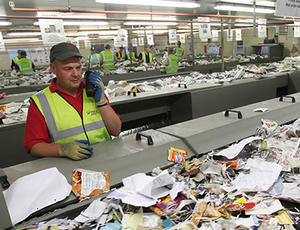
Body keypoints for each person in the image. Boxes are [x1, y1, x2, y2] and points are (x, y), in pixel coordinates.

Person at [24, 42, 121, 160]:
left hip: (105, 157)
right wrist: (62, 149)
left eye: (78, 68)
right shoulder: (41, 102)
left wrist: (102, 102)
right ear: (53, 68)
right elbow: (33, 146)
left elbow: (116, 131)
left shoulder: (93, 92)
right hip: (68, 165)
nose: (76, 74)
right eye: (68, 69)